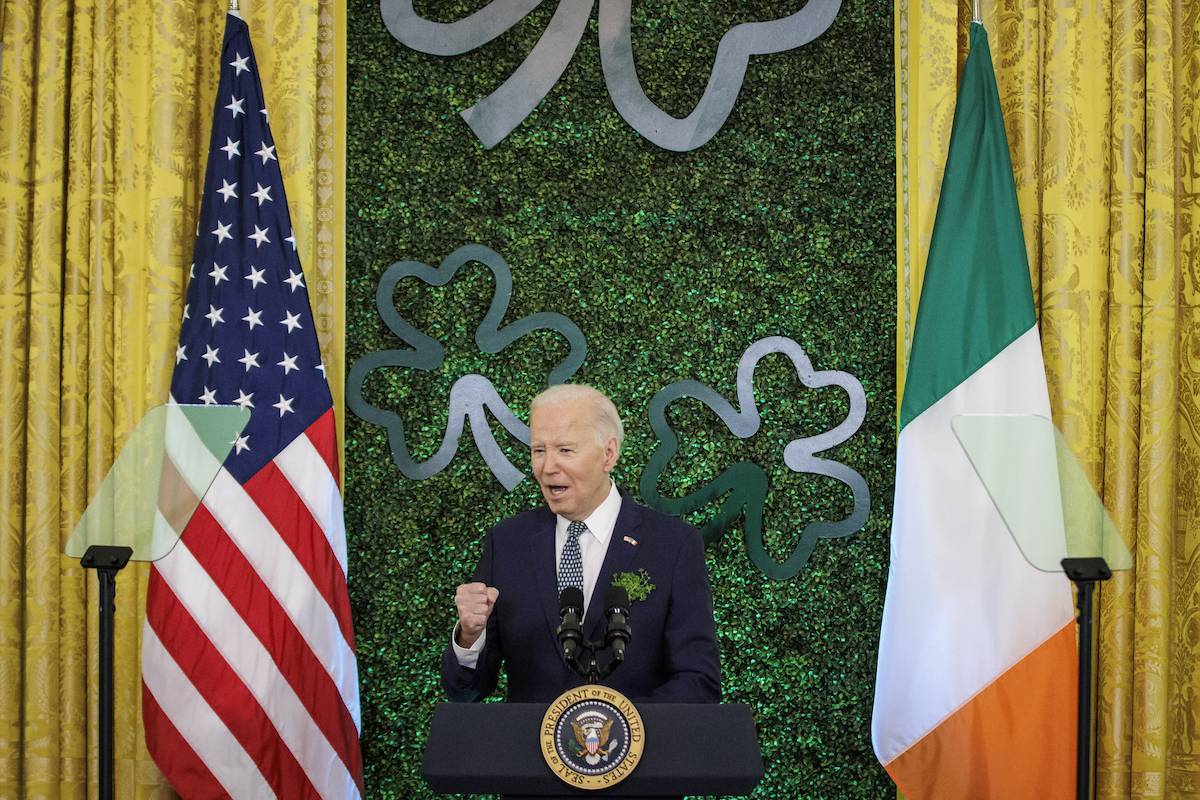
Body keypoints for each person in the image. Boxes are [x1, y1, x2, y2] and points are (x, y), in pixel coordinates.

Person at [441, 384, 721, 704]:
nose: (548, 467)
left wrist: (618, 726)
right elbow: (465, 691)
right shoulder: (506, 544)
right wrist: (470, 636)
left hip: (642, 752)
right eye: (538, 450)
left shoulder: (673, 545)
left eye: (565, 450)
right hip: (528, 752)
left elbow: (699, 681)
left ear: (608, 454)